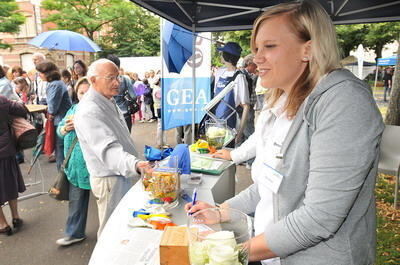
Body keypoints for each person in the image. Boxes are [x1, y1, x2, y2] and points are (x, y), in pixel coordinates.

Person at [186, 1, 384, 265]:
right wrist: (221, 211)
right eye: (256, 48)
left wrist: (232, 255)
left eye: (269, 46)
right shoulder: (282, 100)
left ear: (308, 49)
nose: (256, 58)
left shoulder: (344, 101)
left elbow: (319, 218)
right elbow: (271, 186)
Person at [74, 59, 149, 237]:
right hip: (110, 178)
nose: (117, 83)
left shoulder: (106, 99)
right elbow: (108, 150)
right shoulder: (89, 110)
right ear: (93, 80)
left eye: (118, 77)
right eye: (110, 78)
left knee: (121, 224)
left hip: (119, 173)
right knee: (111, 231)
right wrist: (136, 165)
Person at [56, 77, 91, 246]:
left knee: (104, 202)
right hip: (76, 165)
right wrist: (64, 128)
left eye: (87, 92)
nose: (84, 96)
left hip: (95, 166)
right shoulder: (73, 109)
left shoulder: (98, 110)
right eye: (81, 92)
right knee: (76, 201)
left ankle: (111, 234)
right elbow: (60, 130)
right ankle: (74, 233)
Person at [36, 61, 72, 170]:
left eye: (40, 73)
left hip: (60, 122)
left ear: (47, 73)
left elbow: (52, 108)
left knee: (60, 150)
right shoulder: (57, 83)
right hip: (63, 120)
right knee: (62, 149)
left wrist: (47, 110)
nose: (39, 75)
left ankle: (62, 180)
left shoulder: (54, 84)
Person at [0, 95, 27, 236]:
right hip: (5, 150)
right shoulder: (2, 100)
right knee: (10, 182)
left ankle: (3, 224)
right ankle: (15, 217)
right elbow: (21, 110)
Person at [214, 42, 250, 146]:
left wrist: (240, 132)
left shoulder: (239, 77)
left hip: (230, 125)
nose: (220, 56)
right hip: (216, 122)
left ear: (227, 57)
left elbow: (246, 106)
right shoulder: (221, 73)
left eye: (222, 53)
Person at [106, 54, 136, 132]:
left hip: (108, 114)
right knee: (126, 139)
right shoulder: (125, 79)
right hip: (124, 113)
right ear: (118, 66)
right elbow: (133, 96)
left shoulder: (103, 80)